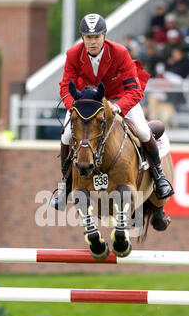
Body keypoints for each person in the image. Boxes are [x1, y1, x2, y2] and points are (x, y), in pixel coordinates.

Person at [50, 13, 174, 211]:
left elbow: (133, 90)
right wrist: (75, 106)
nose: (92, 42)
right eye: (88, 37)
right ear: (82, 37)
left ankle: (159, 178)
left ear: (104, 35)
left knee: (142, 130)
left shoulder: (119, 53)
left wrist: (118, 107)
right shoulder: (73, 54)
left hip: (119, 99)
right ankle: (65, 185)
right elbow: (66, 87)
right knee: (66, 135)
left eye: (96, 37)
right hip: (84, 104)